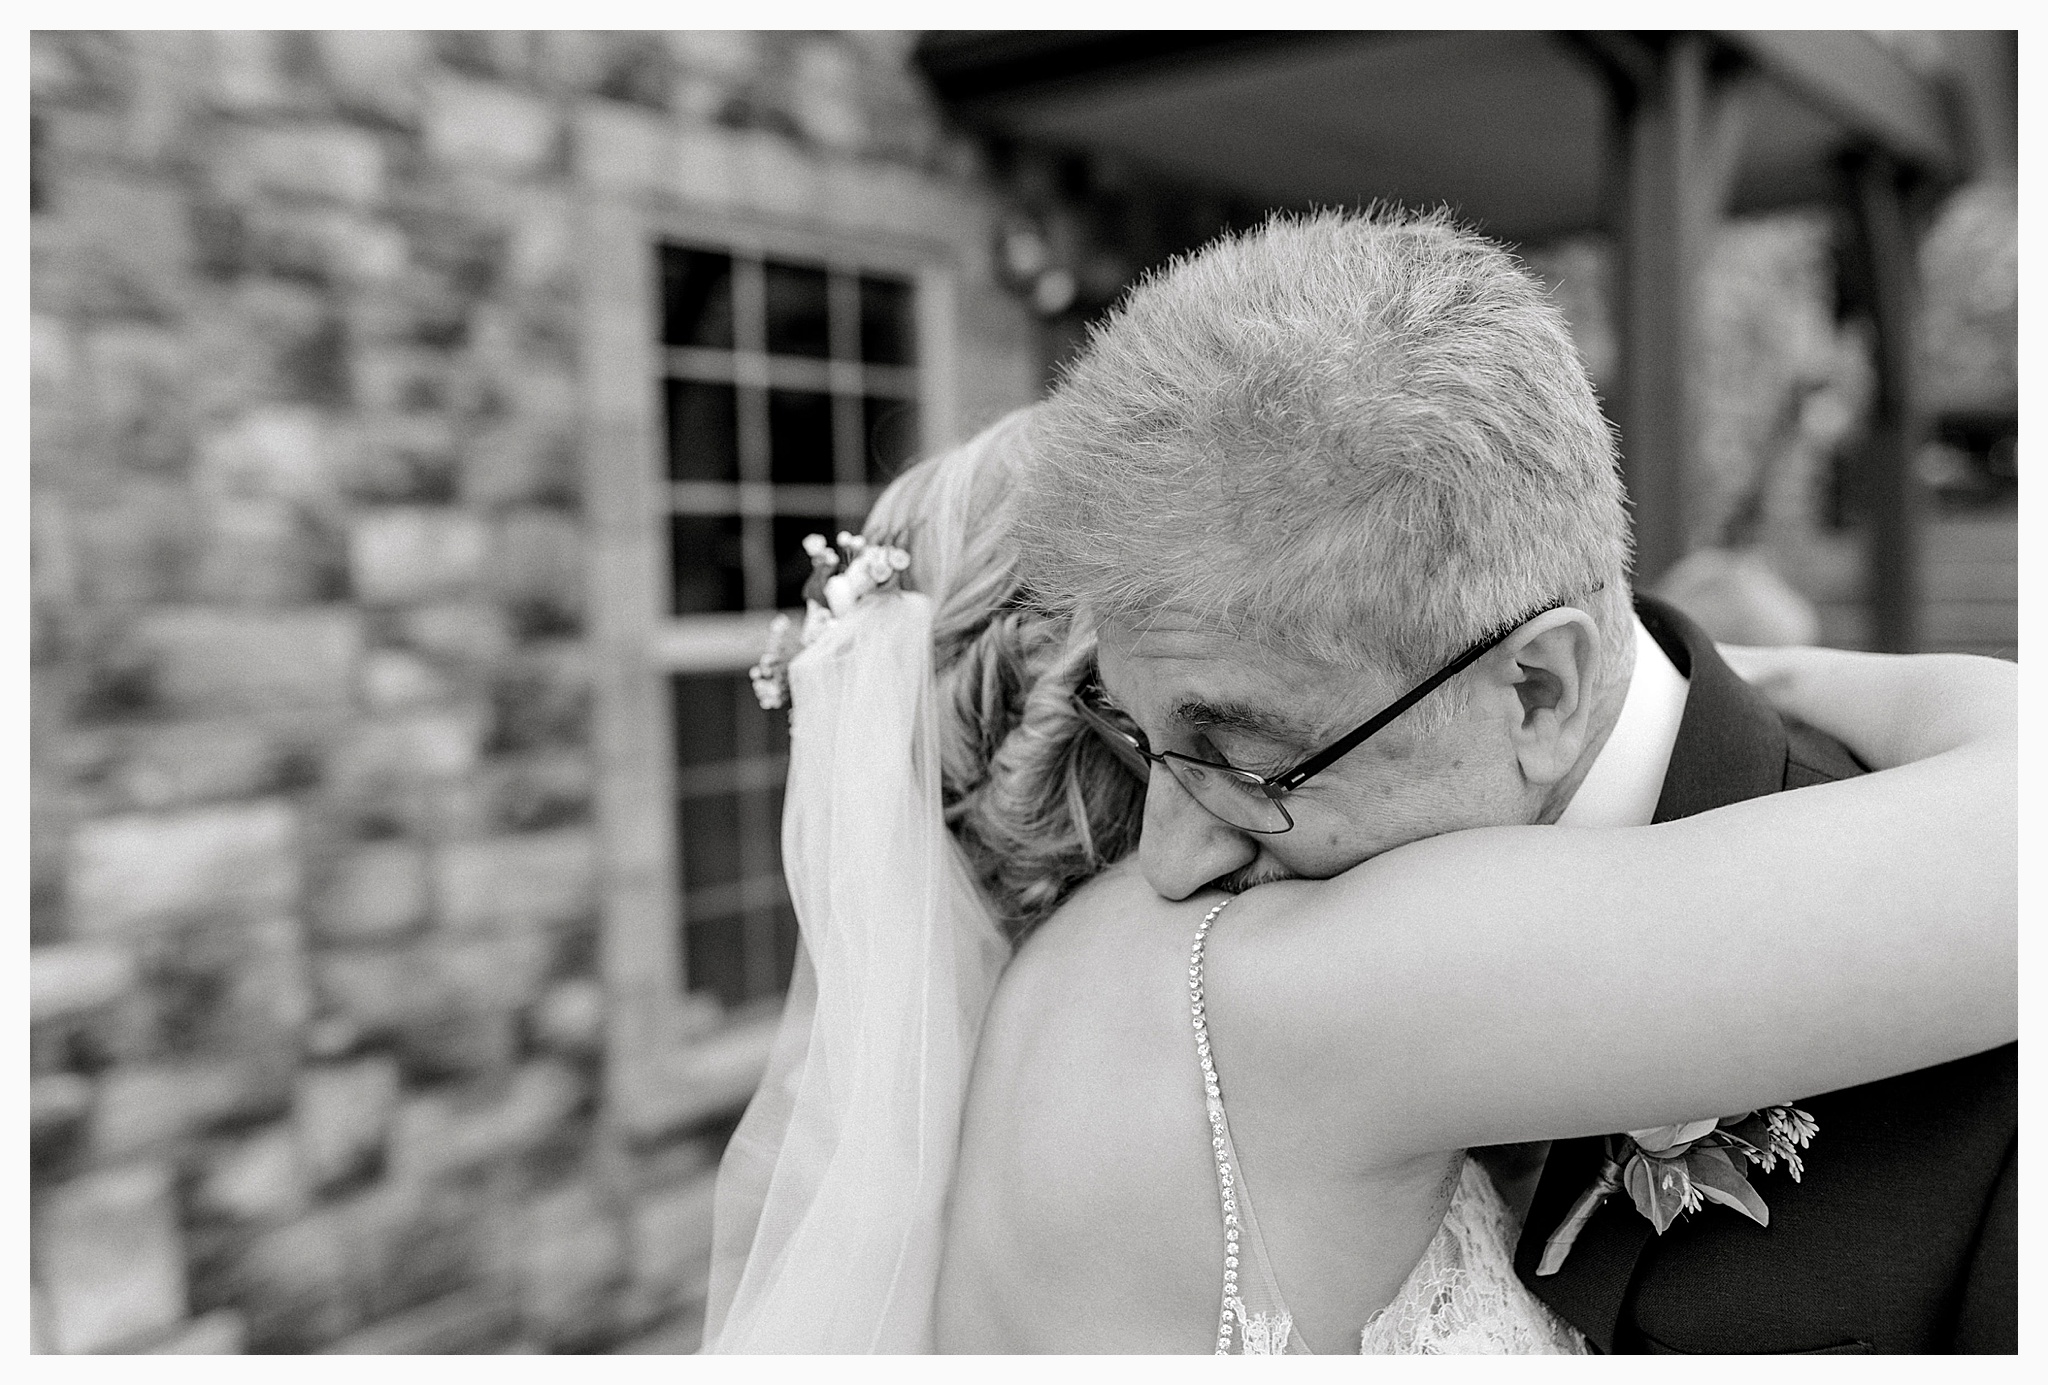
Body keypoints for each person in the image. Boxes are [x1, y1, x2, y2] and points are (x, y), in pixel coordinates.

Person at [705, 221, 2016, 1353]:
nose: (1175, 853)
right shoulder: (1256, 1001)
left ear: (1541, 691)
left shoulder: (1038, 1058)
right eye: (1147, 726)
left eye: (1238, 746)